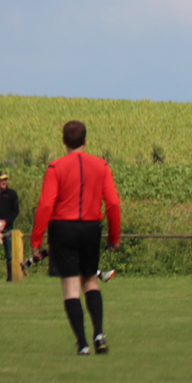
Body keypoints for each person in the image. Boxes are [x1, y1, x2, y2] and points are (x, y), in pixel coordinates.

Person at [31, 120, 121, 355]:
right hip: (91, 228)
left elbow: (45, 205)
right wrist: (114, 237)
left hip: (63, 229)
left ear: (64, 141)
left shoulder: (55, 168)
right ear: (85, 140)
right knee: (90, 281)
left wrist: (36, 241)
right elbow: (112, 202)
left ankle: (82, 344)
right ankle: (99, 334)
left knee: (71, 287)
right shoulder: (101, 165)